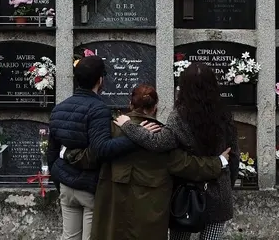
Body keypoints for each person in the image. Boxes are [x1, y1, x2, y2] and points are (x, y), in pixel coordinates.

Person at [63, 84, 231, 240]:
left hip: (114, 210)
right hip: (149, 212)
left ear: (130, 104)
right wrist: (219, 162)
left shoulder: (111, 129)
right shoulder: (161, 135)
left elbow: (92, 155)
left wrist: (68, 154)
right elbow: (184, 164)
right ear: (155, 108)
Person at [118, 63, 239, 240]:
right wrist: (228, 184)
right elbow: (233, 156)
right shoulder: (225, 115)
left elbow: (158, 143)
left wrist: (129, 126)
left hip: (185, 195)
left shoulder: (179, 116)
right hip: (219, 190)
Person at [47, 55, 137, 240]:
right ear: (100, 80)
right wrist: (135, 138)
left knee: (69, 237)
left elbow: (52, 152)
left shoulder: (59, 109)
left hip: (66, 183)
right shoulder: (98, 109)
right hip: (89, 187)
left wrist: (59, 179)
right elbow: (101, 149)